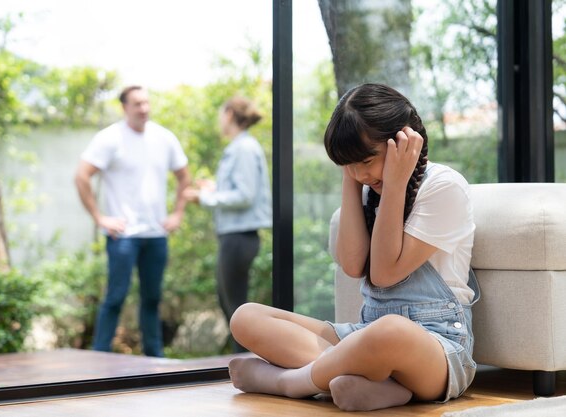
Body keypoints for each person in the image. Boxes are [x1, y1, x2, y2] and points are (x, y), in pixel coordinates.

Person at [227, 83, 479, 411]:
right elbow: (352, 265)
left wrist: (396, 183)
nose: (361, 173)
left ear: (404, 142)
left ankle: (290, 382)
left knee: (390, 331)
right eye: (349, 164)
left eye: (367, 160)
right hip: (364, 335)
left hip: (437, 346)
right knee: (246, 317)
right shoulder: (365, 185)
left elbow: (385, 273)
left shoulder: (445, 187)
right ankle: (375, 385)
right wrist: (351, 178)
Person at [75, 85, 191, 357]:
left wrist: (178, 213)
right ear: (124, 107)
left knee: (152, 300)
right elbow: (82, 176)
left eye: (147, 103)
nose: (144, 109)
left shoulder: (164, 138)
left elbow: (184, 176)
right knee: (115, 298)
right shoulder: (109, 138)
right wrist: (99, 217)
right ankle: (98, 358)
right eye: (137, 104)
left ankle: (155, 360)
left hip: (155, 235)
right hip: (123, 236)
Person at [183, 96, 272, 352]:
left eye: (221, 114)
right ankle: (244, 363)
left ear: (230, 114)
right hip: (234, 235)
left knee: (235, 308)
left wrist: (204, 198)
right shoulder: (240, 147)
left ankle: (248, 364)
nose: (219, 120)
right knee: (230, 303)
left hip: (239, 236)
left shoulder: (243, 148)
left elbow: (245, 195)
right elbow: (239, 190)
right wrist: (213, 189)